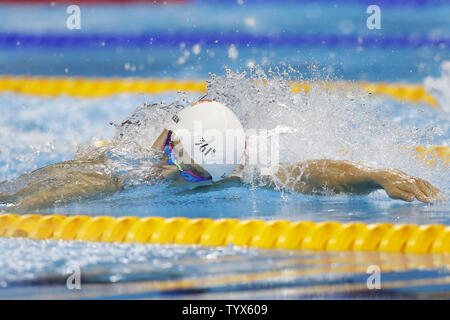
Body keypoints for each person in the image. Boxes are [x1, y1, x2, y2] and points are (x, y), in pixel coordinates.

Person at [0, 100, 442, 212]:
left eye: (195, 176)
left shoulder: (236, 166)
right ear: (169, 139)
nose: (178, 174)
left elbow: (308, 172)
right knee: (102, 171)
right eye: (182, 166)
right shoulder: (137, 162)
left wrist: (376, 175)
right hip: (114, 161)